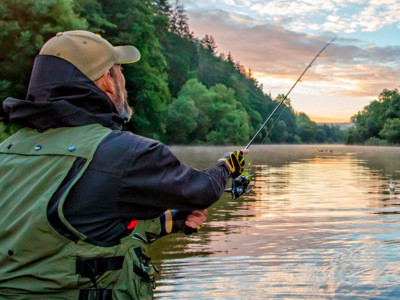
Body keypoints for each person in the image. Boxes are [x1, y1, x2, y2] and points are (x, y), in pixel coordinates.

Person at [0, 30, 248, 299]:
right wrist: (225, 167)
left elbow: (70, 227)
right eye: (119, 72)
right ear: (106, 79)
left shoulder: (7, 151)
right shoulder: (125, 153)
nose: (124, 83)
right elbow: (201, 190)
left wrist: (170, 222)